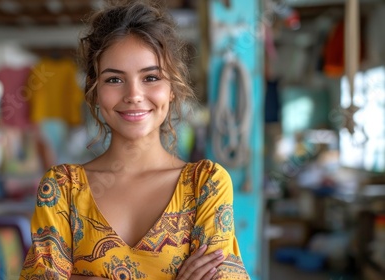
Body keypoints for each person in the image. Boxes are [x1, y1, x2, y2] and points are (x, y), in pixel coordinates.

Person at [20, 1, 250, 279]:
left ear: (172, 89)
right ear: (94, 92)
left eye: (151, 77)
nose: (134, 95)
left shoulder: (205, 186)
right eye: (114, 80)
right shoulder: (61, 190)